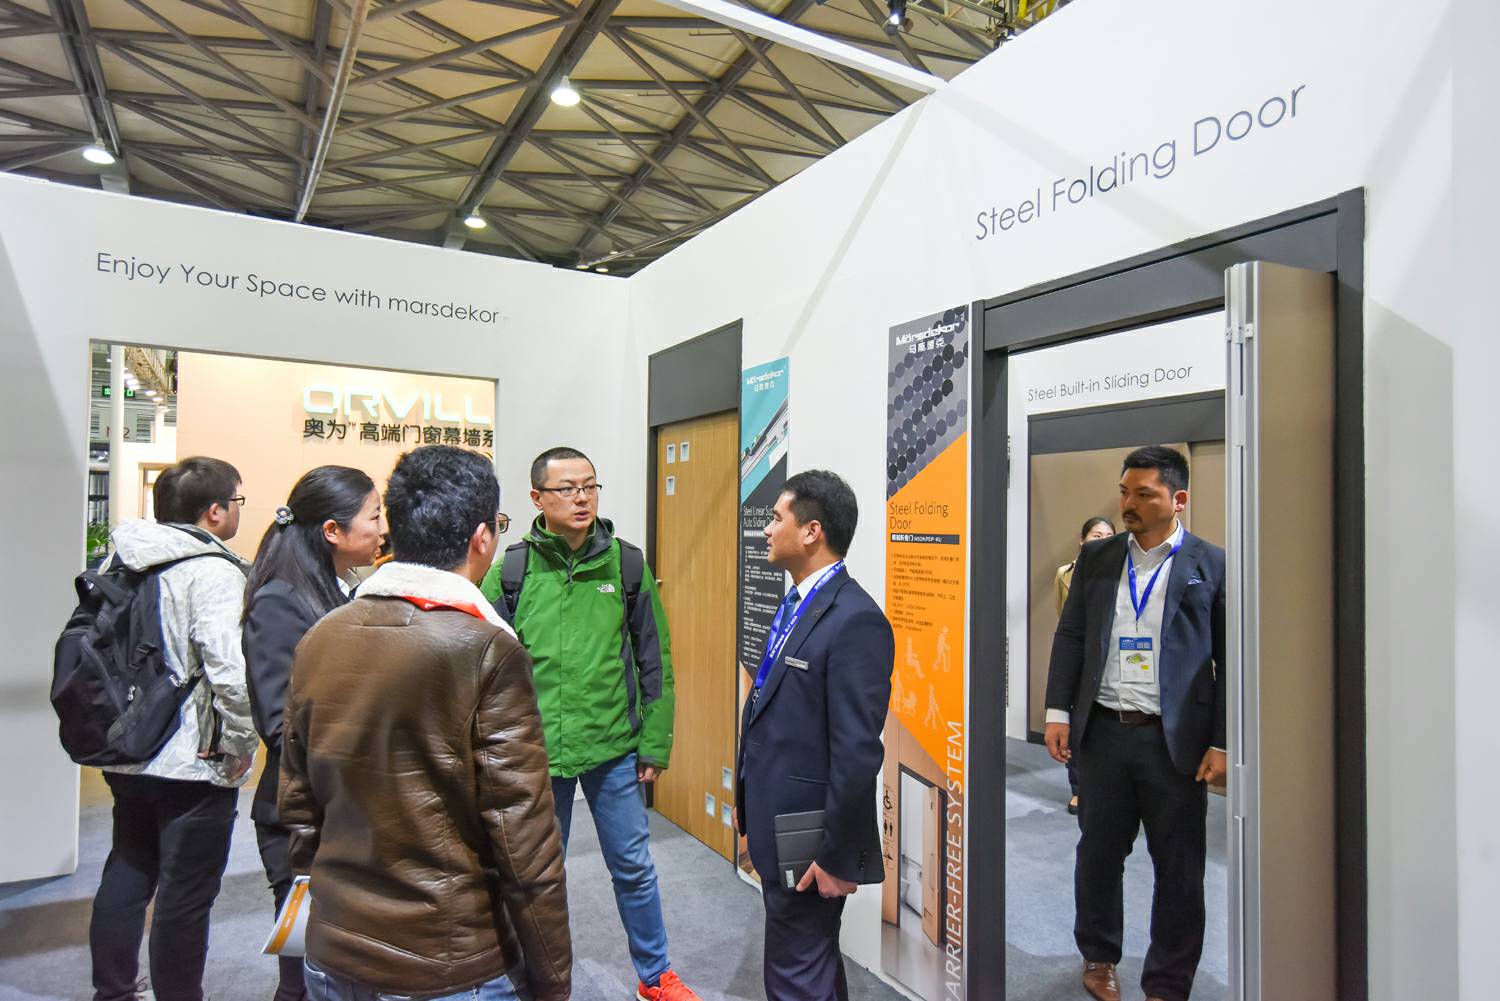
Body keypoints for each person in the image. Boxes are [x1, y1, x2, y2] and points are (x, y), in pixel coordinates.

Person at [279, 445, 569, 1001]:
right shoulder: (487, 649)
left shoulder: (322, 635)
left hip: (332, 947)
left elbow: (298, 806)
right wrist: (553, 981)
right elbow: (523, 841)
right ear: (482, 537)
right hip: (447, 962)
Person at [479, 446, 698, 1001]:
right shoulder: (512, 571)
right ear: (537, 498)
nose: (581, 498)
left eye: (589, 486)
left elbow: (655, 660)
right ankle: (533, 980)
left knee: (634, 867)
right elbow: (477, 659)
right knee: (535, 876)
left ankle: (656, 976)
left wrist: (655, 742)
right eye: (567, 489)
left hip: (612, 746)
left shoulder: (626, 565)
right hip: (536, 752)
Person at [1043, 446, 1226, 1001]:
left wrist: (1222, 741)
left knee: (1180, 869)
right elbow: (1072, 635)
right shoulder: (1098, 559)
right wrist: (1057, 712)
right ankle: (1098, 956)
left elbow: (1232, 660)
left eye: (1144, 494)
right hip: (1103, 734)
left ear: (1178, 499)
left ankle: (1167, 982)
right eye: (1125, 492)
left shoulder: (1211, 564)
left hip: (1174, 742)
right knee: (1099, 856)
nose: (1129, 504)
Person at [89, 456, 257, 1001]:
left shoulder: (121, 559)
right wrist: (240, 744)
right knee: (186, 896)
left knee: (128, 868)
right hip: (193, 758)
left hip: (128, 741)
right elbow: (231, 674)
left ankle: (114, 990)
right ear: (215, 512)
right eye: (237, 501)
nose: (238, 512)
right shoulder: (213, 571)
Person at [734, 470, 894, 1001]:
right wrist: (746, 799)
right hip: (775, 815)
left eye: (776, 518)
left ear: (811, 531)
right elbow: (767, 708)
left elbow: (857, 752)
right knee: (804, 957)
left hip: (811, 832)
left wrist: (835, 852)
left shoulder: (856, 620)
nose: (766, 529)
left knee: (797, 968)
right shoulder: (797, 604)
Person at [241, 466, 385, 1001]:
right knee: (306, 973)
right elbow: (282, 724)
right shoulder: (282, 600)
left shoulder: (339, 592)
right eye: (374, 517)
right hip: (301, 815)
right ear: (332, 531)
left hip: (340, 808)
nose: (382, 529)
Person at [1054, 516, 1116, 815]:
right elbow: (1065, 620)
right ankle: (1078, 789)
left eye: (1108, 535)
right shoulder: (1065, 574)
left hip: (1109, 657)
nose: (1102, 540)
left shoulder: (1121, 572)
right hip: (1080, 656)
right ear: (1082, 540)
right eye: (1096, 535)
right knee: (1078, 725)